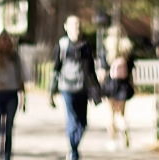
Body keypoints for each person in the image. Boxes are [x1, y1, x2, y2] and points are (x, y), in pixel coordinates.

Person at [49, 15, 100, 160]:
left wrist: (96, 89)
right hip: (67, 88)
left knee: (83, 123)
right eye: (73, 24)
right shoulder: (62, 45)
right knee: (72, 120)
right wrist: (51, 91)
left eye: (78, 24)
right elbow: (55, 69)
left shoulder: (86, 45)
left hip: (83, 88)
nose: (76, 27)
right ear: (66, 27)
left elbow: (90, 69)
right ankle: (73, 151)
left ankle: (74, 148)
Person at [0, 32, 28, 160]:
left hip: (11, 94)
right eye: (2, 40)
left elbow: (21, 78)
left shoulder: (15, 57)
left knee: (8, 129)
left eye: (7, 40)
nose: (5, 43)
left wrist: (23, 99)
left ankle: (7, 155)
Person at [102, 34, 136, 149]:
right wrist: (133, 86)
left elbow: (103, 71)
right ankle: (124, 128)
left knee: (110, 114)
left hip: (111, 85)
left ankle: (112, 140)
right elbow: (131, 71)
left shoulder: (107, 52)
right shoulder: (127, 53)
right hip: (124, 86)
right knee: (121, 114)